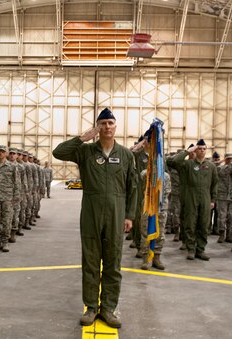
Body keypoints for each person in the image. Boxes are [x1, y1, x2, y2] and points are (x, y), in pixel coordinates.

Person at [52, 107, 137, 329]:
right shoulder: (86, 152)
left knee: (113, 262)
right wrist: (81, 139)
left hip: (117, 212)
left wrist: (129, 215)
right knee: (90, 261)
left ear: (115, 126)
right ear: (97, 128)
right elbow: (58, 153)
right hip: (91, 211)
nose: (107, 127)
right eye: (103, 124)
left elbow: (132, 187)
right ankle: (90, 307)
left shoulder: (126, 155)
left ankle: (108, 308)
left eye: (110, 123)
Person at [167, 139, 218, 261]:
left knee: (204, 224)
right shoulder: (188, 165)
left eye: (204, 149)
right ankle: (191, 249)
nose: (202, 151)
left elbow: (215, 183)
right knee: (190, 224)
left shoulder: (210, 166)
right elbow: (173, 161)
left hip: (205, 197)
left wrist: (213, 200)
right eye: (199, 148)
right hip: (191, 197)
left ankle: (200, 250)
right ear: (195, 150)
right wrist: (186, 152)